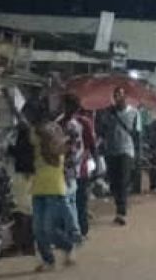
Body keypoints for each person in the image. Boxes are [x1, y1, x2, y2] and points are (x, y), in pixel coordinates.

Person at [28, 105, 78, 271]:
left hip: (54, 187)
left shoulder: (54, 135)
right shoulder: (34, 133)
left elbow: (57, 148)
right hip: (38, 186)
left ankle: (68, 246)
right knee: (38, 229)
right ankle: (48, 260)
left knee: (48, 228)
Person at [58, 94, 98, 239]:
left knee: (80, 201)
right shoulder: (60, 123)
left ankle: (82, 229)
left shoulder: (83, 122)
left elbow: (92, 144)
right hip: (64, 170)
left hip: (81, 168)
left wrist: (96, 163)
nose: (66, 109)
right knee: (67, 201)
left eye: (69, 106)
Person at [103, 86, 140, 226]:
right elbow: (104, 129)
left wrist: (137, 155)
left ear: (125, 97)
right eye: (116, 95)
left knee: (123, 181)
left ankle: (121, 212)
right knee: (114, 183)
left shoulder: (134, 113)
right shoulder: (108, 113)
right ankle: (119, 205)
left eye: (120, 94)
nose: (118, 97)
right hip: (111, 151)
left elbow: (138, 134)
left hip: (127, 150)